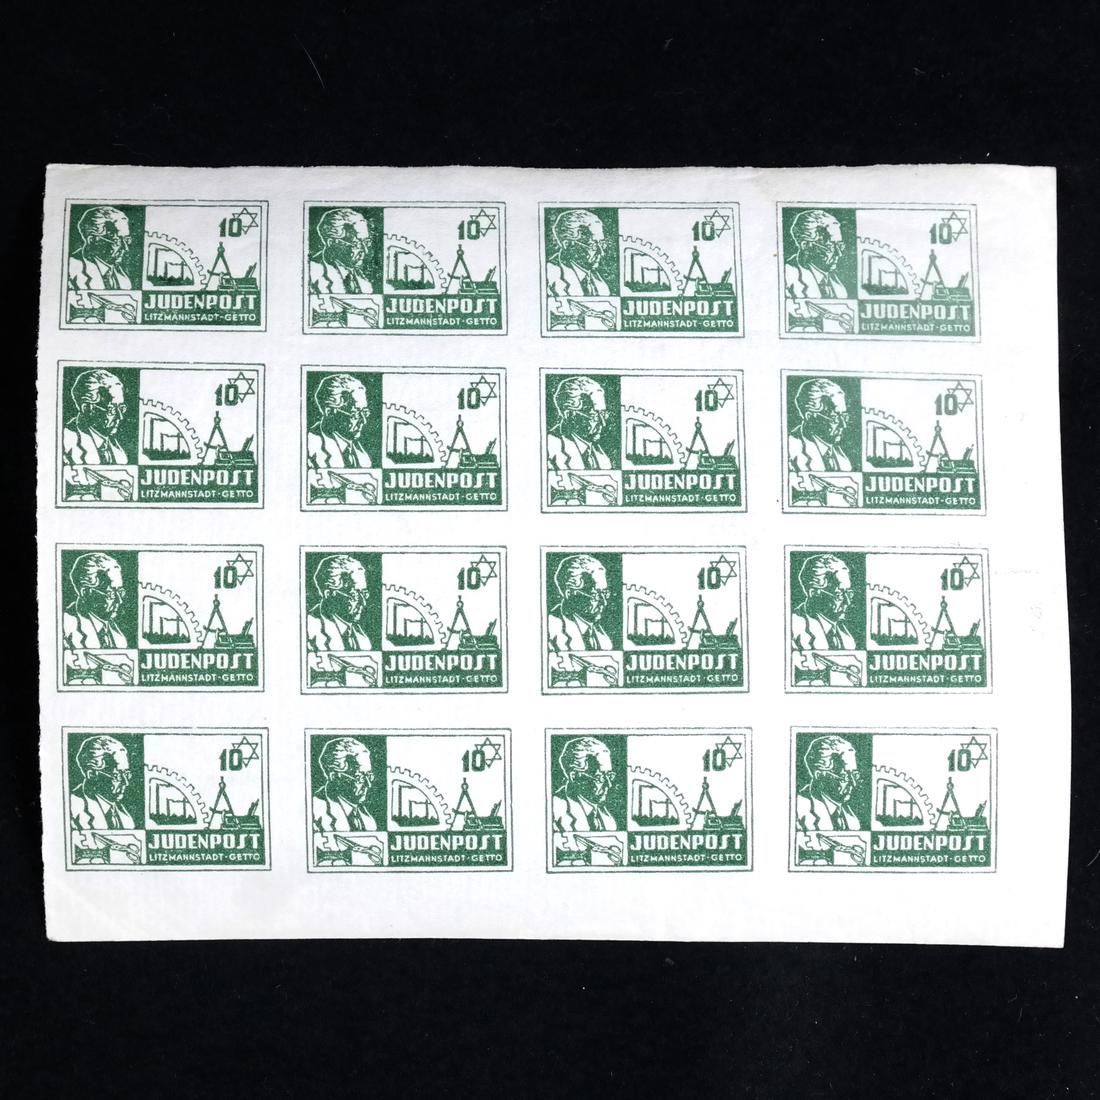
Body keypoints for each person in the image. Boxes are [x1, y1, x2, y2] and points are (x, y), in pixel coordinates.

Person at [795, 735, 864, 831]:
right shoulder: (798, 810)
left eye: (854, 774)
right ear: (819, 775)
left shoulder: (851, 816)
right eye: (844, 776)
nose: (853, 783)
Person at [62, 552, 129, 649]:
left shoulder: (117, 634)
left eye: (120, 592)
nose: (119, 601)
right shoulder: (65, 629)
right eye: (111, 594)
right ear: (85, 592)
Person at [62, 369, 129, 465]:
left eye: (121, 408)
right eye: (111, 409)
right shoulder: (65, 443)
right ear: (86, 408)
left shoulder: (116, 448)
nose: (120, 417)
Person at [306, 554, 373, 651]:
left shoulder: (361, 636)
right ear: (329, 594)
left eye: (364, 593)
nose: (363, 603)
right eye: (354, 595)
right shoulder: (309, 630)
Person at [791, 553, 857, 651]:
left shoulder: (845, 635)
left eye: (849, 593)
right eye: (839, 595)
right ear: (814, 593)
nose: (847, 602)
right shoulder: (793, 629)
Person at [306, 373, 373, 468]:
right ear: (329, 412)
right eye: (355, 414)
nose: (363, 421)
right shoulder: (309, 448)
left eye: (364, 412)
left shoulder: (361, 453)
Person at [548, 554, 613, 651]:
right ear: (570, 594)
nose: (603, 602)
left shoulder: (601, 635)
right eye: (595, 594)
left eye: (604, 593)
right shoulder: (550, 631)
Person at [552, 736, 618, 831]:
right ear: (574, 776)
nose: (608, 784)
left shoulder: (607, 818)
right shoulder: (554, 812)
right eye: (599, 777)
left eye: (609, 775)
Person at [69, 735, 136, 831]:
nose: (125, 782)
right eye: (116, 775)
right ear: (92, 775)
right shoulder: (72, 810)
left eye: (126, 774)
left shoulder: (125, 816)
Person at [788, 378, 854, 473]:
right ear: (810, 417)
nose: (843, 425)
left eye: (844, 416)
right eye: (834, 417)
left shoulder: (841, 457)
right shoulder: (790, 451)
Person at [546, 376, 612, 471]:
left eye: (603, 414)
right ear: (569, 414)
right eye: (594, 416)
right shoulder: (549, 448)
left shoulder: (601, 455)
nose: (603, 423)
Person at [312, 737, 378, 832]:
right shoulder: (315, 812)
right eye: (359, 777)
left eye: (369, 775)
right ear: (334, 777)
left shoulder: (367, 818)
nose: (368, 784)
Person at [784, 209, 850, 299]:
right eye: (830, 246)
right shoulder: (787, 278)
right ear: (805, 245)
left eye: (840, 245)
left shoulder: (838, 285)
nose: (839, 253)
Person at [309, 208, 375, 295]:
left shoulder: (363, 280)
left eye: (366, 242)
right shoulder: (311, 274)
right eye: (356, 244)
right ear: (332, 243)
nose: (365, 250)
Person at [546, 209, 611, 297]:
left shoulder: (598, 281)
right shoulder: (550, 276)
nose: (601, 252)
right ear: (567, 244)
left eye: (602, 244)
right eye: (592, 245)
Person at [67, 206, 133, 291]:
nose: (125, 248)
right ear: (92, 240)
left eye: (127, 240)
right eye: (117, 241)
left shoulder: (123, 278)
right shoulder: (70, 271)